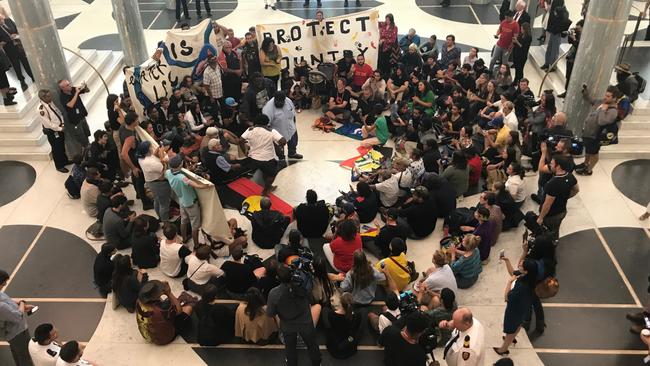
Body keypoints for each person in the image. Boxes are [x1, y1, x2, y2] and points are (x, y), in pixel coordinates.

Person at [266, 265, 322, 366]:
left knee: (290, 347)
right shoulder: (303, 285)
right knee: (312, 344)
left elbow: (270, 313)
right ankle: (317, 362)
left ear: (277, 278)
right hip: (305, 322)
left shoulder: (273, 294)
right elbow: (311, 298)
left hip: (288, 325)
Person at [494, 259, 538, 356]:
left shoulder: (521, 286)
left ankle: (503, 349)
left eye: (521, 265)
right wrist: (507, 261)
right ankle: (512, 338)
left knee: (510, 328)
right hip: (523, 307)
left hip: (514, 309)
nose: (519, 265)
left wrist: (509, 283)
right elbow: (512, 272)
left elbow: (507, 297)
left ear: (526, 271)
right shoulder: (529, 277)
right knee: (518, 324)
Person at [165, 154, 210, 245]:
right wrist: (206, 184)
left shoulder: (168, 173)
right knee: (195, 225)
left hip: (182, 200)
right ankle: (196, 245)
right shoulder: (182, 178)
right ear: (180, 164)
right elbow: (196, 185)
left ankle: (184, 238)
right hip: (191, 203)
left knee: (183, 220)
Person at [576, 85, 620, 176]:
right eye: (605, 95)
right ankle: (585, 163)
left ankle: (588, 170)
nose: (605, 97)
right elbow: (592, 101)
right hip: (588, 133)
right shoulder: (602, 102)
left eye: (608, 96)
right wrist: (586, 93)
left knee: (594, 154)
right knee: (588, 150)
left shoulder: (613, 111)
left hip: (595, 136)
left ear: (614, 98)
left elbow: (602, 121)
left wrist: (603, 110)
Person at [135, 280, 194, 345]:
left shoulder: (139, 301)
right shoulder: (163, 309)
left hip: (147, 335)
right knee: (187, 309)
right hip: (163, 339)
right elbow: (179, 311)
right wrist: (169, 293)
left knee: (173, 304)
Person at [241, 114, 287, 195]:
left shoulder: (250, 130)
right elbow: (283, 141)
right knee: (272, 174)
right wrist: (279, 145)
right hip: (267, 159)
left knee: (265, 171)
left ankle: (268, 186)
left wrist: (245, 150)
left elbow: (240, 140)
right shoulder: (271, 131)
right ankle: (265, 191)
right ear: (266, 123)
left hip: (253, 158)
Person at [537, 155, 579, 241]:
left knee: (548, 232)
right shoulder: (570, 176)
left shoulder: (552, 183)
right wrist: (564, 197)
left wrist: (541, 217)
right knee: (555, 229)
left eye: (552, 164)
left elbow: (547, 204)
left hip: (552, 215)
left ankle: (552, 244)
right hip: (562, 211)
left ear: (558, 166)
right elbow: (576, 189)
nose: (550, 165)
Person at [0, 269, 35, 366]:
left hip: (11, 333)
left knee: (18, 353)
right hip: (17, 333)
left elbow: (7, 300)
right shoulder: (1, 307)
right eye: (3, 283)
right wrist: (22, 303)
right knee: (25, 356)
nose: (5, 285)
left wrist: (20, 305)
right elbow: (18, 316)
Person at [138, 141, 171, 222]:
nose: (152, 147)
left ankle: (160, 217)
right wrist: (162, 154)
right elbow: (164, 168)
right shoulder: (151, 162)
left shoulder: (141, 158)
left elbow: (153, 156)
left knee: (157, 200)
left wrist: (158, 149)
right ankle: (166, 222)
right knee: (164, 204)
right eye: (150, 147)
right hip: (159, 184)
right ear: (148, 149)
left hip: (151, 183)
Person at [263, 90, 302, 161]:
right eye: (278, 101)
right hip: (278, 131)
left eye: (282, 101)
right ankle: (281, 157)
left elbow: (293, 113)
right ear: (275, 99)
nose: (280, 103)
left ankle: (292, 153)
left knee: (293, 142)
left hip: (291, 127)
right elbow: (266, 125)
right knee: (279, 147)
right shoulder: (268, 107)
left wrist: (294, 125)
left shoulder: (288, 101)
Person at [58, 79, 90, 159]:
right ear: (63, 88)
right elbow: (70, 105)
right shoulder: (63, 97)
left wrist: (84, 87)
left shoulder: (72, 89)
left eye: (69, 84)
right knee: (82, 138)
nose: (70, 86)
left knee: (87, 133)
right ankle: (86, 154)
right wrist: (76, 93)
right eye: (67, 85)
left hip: (82, 117)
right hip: (75, 121)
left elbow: (87, 91)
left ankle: (89, 149)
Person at [37, 89, 68, 172]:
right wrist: (59, 128)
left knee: (61, 146)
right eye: (49, 96)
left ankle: (65, 161)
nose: (51, 97)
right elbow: (48, 124)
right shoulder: (41, 109)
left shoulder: (50, 102)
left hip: (60, 128)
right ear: (43, 98)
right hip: (53, 132)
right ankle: (59, 166)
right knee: (56, 149)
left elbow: (58, 112)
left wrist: (62, 123)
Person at [0, 13, 33, 91]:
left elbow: (17, 29)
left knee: (26, 62)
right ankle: (22, 81)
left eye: (1, 20)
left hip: (19, 46)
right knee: (16, 66)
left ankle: (32, 76)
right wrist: (8, 40)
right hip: (10, 50)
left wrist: (17, 34)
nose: (2, 22)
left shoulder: (8, 20)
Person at [324, 292, 361, 359]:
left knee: (324, 310)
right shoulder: (356, 316)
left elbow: (329, 327)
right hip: (349, 347)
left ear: (340, 303)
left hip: (335, 347)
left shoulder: (331, 315)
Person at [541, 0, 569, 71]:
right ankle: (547, 63)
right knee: (549, 49)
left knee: (554, 51)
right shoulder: (557, 17)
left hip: (556, 33)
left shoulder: (560, 19)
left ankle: (553, 66)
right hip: (553, 32)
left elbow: (560, 28)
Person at [490, 10, 520, 75]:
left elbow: (515, 37)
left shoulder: (516, 25)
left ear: (511, 17)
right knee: (493, 59)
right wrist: (497, 34)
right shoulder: (503, 22)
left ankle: (504, 75)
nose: (506, 19)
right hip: (499, 44)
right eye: (505, 17)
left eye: (507, 18)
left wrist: (511, 47)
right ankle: (489, 71)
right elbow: (499, 29)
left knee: (504, 62)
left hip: (507, 47)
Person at [558, 19, 583, 98]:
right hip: (570, 58)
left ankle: (570, 94)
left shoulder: (584, 37)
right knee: (568, 76)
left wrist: (575, 39)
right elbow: (570, 42)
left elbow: (579, 47)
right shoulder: (578, 34)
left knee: (572, 78)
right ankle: (566, 91)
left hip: (576, 60)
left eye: (579, 28)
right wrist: (571, 36)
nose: (577, 30)